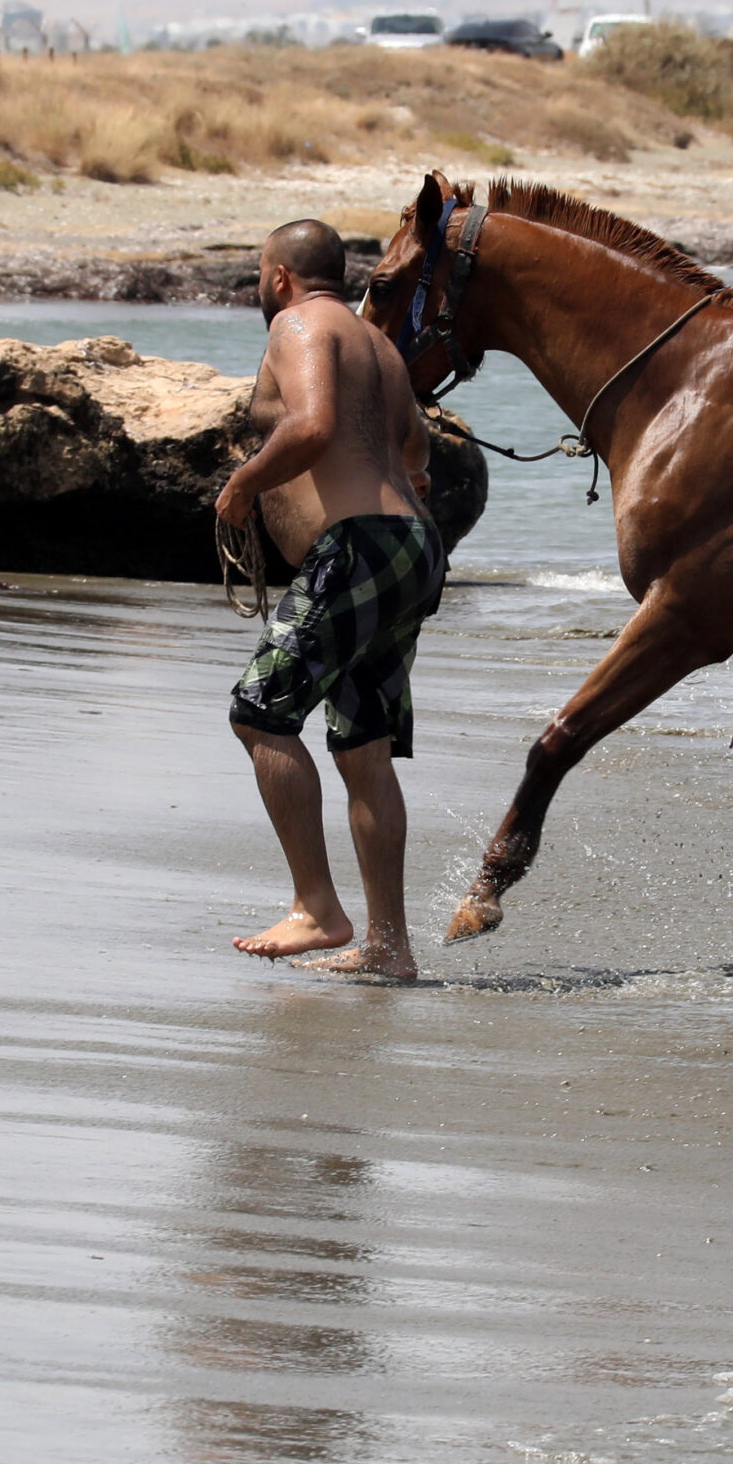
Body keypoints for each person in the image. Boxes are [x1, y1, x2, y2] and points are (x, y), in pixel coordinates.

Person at [217, 219, 444, 980]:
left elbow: (312, 426)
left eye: (260, 273)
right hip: (412, 547)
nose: (261, 287)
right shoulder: (378, 345)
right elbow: (417, 447)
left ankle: (317, 908)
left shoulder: (297, 323)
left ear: (281, 275)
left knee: (260, 714)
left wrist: (243, 486)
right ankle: (388, 947)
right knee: (362, 747)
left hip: (356, 549)